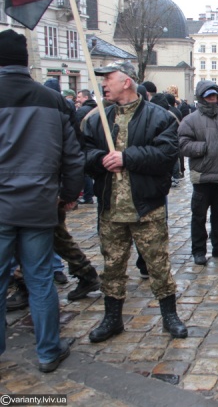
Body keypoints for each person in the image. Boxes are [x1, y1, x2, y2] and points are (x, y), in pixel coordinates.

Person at [84, 60, 187, 342]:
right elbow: (83, 154)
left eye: (109, 79)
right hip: (111, 210)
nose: (104, 84)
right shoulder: (97, 119)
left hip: (146, 208)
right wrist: (99, 159)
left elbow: (167, 156)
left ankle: (170, 315)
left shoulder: (159, 117)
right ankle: (112, 319)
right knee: (112, 267)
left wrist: (126, 157)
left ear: (126, 82)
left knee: (158, 265)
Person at [0, 29, 84, 372]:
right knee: (40, 279)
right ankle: (48, 351)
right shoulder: (53, 100)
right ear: (26, 61)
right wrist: (67, 196)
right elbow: (73, 157)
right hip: (39, 203)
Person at [179, 81, 218, 265]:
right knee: (199, 216)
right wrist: (204, 148)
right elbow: (182, 144)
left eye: (214, 96)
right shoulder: (190, 120)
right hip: (202, 177)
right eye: (208, 96)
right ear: (201, 98)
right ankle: (198, 250)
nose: (212, 99)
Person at [76, 89, 98, 205]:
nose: (77, 99)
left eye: (79, 97)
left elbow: (77, 129)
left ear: (85, 97)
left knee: (85, 172)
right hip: (94, 145)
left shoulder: (82, 111)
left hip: (84, 144)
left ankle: (88, 195)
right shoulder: (97, 109)